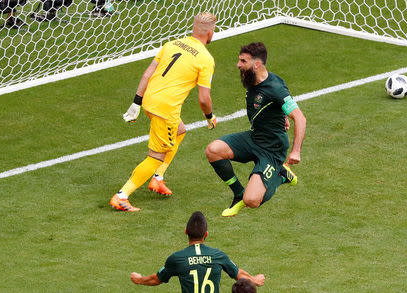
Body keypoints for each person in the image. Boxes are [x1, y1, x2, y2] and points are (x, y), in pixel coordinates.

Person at [110, 12, 218, 211]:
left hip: (150, 99)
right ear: (210, 33)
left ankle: (158, 179)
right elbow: (204, 99)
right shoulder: (205, 59)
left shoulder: (173, 44)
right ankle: (122, 196)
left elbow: (147, 73)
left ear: (194, 28)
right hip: (165, 109)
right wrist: (209, 116)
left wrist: (136, 102)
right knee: (155, 156)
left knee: (180, 131)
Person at [205, 42, 306, 217]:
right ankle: (238, 194)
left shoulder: (275, 88)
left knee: (251, 200)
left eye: (243, 61)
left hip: (272, 149)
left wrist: (296, 151)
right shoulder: (252, 78)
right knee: (213, 150)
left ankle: (281, 174)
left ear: (257, 64)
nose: (238, 65)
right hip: (255, 138)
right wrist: (282, 116)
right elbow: (276, 106)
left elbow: (300, 118)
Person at [130, 211, 265, 292]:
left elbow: (156, 279)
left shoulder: (177, 258)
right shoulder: (218, 255)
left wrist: (139, 280)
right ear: (206, 234)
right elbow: (238, 273)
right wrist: (254, 280)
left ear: (186, 232)